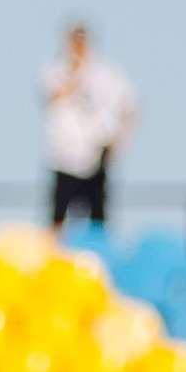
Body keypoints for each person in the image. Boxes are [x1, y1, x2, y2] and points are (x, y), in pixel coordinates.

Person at [41, 21, 137, 232]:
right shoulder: (55, 70)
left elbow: (130, 106)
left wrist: (120, 141)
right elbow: (51, 97)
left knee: (97, 219)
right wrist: (77, 75)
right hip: (64, 156)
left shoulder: (108, 74)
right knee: (58, 218)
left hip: (96, 155)